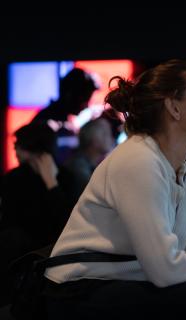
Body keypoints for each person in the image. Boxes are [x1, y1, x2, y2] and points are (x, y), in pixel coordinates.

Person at [43, 59, 186, 320]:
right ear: (173, 107)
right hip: (79, 289)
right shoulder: (138, 161)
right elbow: (165, 269)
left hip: (136, 278)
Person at [0, 122, 77, 306]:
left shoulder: (66, 178)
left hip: (54, 250)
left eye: (18, 145)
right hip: (23, 254)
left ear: (32, 149)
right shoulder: (13, 179)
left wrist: (52, 185)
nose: (15, 151)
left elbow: (67, 224)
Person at [31, 67, 99, 165]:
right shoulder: (45, 122)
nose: (87, 105)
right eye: (85, 98)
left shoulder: (64, 119)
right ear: (70, 95)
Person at [65, 117, 115, 199]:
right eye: (105, 134)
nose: (111, 138)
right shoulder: (78, 166)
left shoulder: (89, 164)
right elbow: (100, 194)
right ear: (94, 140)